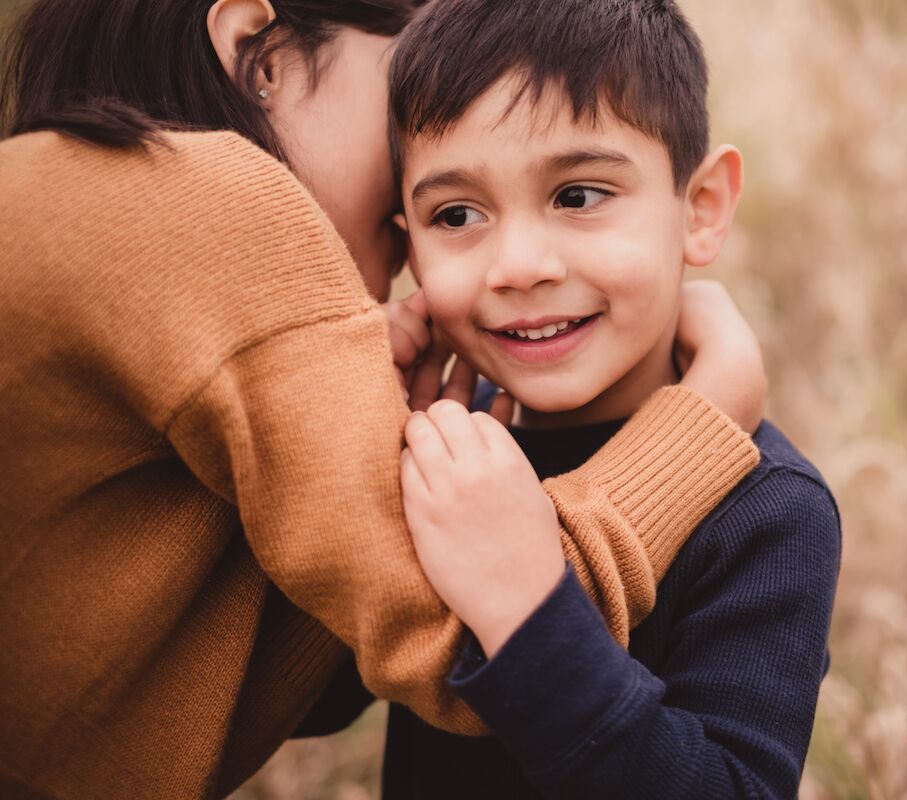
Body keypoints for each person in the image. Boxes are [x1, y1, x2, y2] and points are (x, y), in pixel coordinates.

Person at [0, 0, 771, 796]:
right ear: (257, 52)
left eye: (577, 196)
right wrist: (709, 414)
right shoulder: (209, 200)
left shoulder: (57, 184)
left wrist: (371, 460)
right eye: (405, 71)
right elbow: (476, 630)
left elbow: (236, 678)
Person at [343, 0, 841, 796]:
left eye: (577, 196)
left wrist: (527, 606)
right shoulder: (444, 452)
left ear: (700, 208)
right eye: (457, 214)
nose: (519, 266)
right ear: (410, 246)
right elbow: (317, 700)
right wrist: (357, 437)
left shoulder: (766, 511)